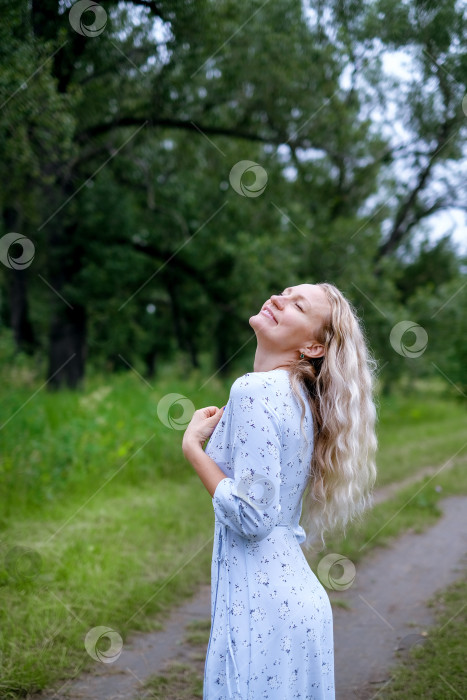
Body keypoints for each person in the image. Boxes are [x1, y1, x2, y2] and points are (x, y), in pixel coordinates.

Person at [182, 282, 378, 700]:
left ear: (312, 346)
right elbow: (262, 499)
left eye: (297, 305)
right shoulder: (296, 398)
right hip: (294, 608)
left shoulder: (254, 390)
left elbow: (252, 519)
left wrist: (192, 449)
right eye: (283, 293)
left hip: (262, 612)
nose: (277, 299)